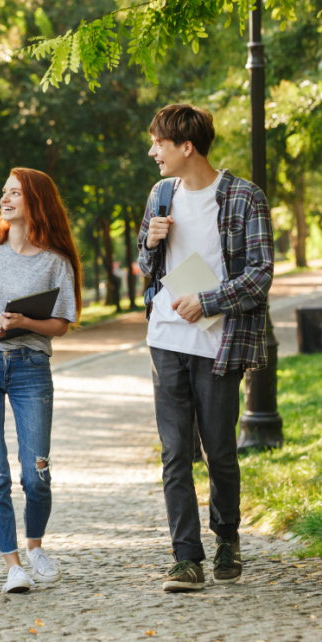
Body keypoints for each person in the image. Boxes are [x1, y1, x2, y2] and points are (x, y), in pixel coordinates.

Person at [137, 104, 274, 592]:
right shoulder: (160, 194)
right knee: (175, 453)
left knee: (218, 449)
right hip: (166, 339)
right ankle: (185, 558)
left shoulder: (243, 197)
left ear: (186, 146)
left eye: (159, 143)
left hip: (220, 342)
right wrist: (150, 244)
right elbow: (144, 264)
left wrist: (208, 300)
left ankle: (227, 538)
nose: (153, 152)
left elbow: (260, 275)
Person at [0, 167, 81, 594]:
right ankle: (12, 564)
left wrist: (24, 320)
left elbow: (61, 324)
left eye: (14, 193)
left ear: (35, 201)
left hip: (30, 367)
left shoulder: (56, 261)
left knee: (35, 472)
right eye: (3, 191)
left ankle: (36, 546)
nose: (5, 199)